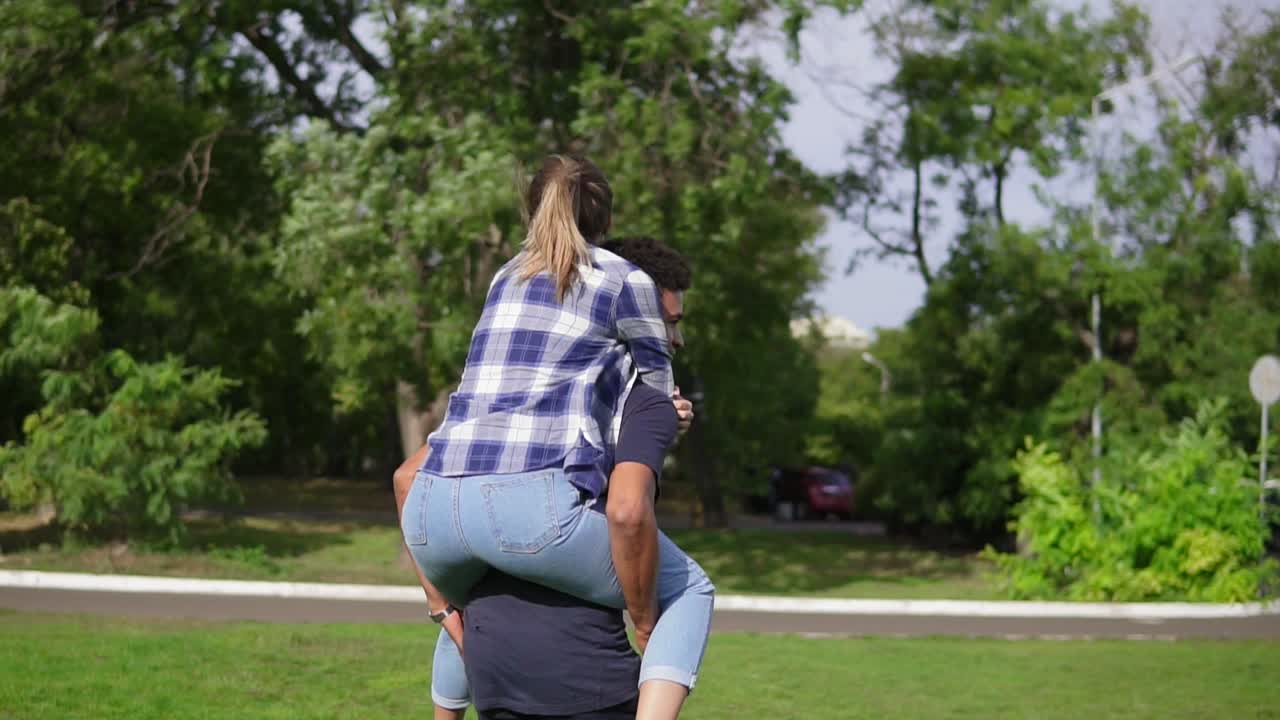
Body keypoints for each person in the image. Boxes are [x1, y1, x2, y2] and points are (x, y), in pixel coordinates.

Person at [395, 156, 714, 720]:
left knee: (471, 600)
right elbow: (656, 381)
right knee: (690, 588)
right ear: (605, 218)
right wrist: (643, 617)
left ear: (533, 207)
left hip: (432, 513)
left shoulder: (507, 275)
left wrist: (438, 603)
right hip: (528, 508)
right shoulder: (624, 279)